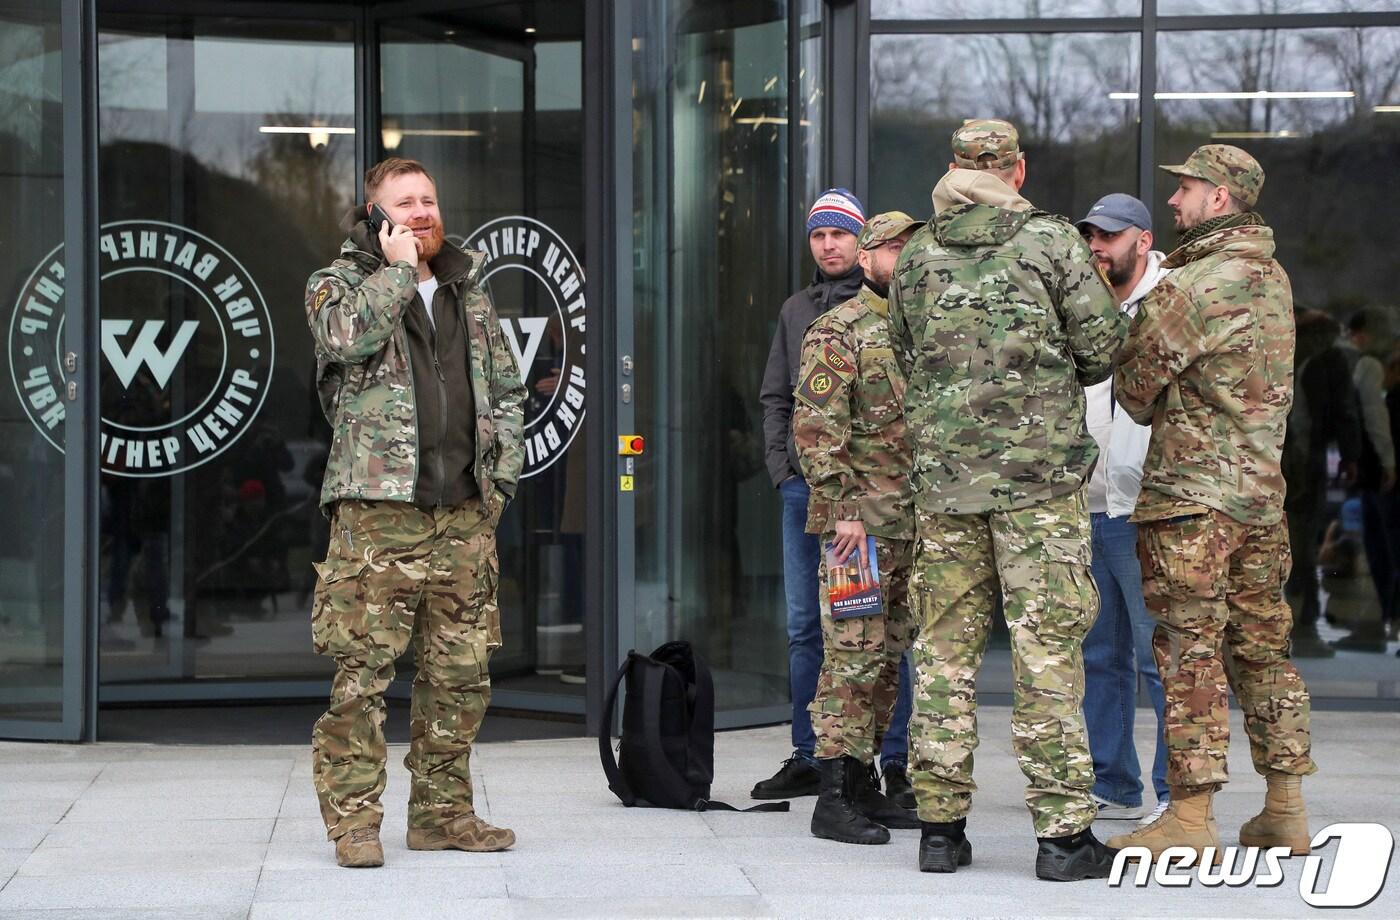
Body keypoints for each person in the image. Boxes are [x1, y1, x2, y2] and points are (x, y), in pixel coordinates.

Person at [889, 119, 1126, 880]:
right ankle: (1062, 840)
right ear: (1016, 171)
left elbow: (904, 354)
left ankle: (939, 831)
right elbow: (1101, 350)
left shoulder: (916, 252)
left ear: (953, 168)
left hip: (945, 488)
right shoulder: (1052, 242)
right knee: (1046, 654)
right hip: (1039, 491)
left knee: (943, 658)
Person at [304, 157, 527, 868]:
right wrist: (398, 272)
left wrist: (499, 483)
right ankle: (354, 825)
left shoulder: (470, 293)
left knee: (460, 677)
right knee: (362, 679)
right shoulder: (337, 285)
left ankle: (442, 815)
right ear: (375, 215)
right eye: (405, 202)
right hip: (378, 519)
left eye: (429, 199)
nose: (423, 212)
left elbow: (507, 391)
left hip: (463, 516)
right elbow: (346, 338)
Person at [1108, 145, 1316, 859]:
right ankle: (1284, 808)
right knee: (1264, 649)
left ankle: (1190, 819)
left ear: (1220, 198)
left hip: (1192, 503)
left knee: (1188, 652)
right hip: (1261, 500)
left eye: (1187, 188)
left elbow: (1134, 390)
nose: (1174, 200)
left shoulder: (1194, 285)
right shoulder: (1272, 276)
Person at [757, 190, 916, 805]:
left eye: (840, 234)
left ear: (862, 245)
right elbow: (782, 401)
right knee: (812, 629)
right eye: (818, 235)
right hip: (818, 497)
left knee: (886, 634)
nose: (829, 245)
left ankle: (888, 762)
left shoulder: (905, 310)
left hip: (884, 507)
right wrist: (786, 474)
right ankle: (815, 758)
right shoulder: (802, 313)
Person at [793, 211, 924, 845]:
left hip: (909, 526)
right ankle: (834, 796)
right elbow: (816, 427)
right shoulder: (838, 330)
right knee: (851, 656)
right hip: (857, 532)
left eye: (910, 247)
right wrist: (843, 507)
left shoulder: (920, 327)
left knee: (889, 658)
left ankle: (864, 780)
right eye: (892, 248)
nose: (903, 257)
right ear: (867, 258)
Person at [1074, 194, 1171, 826]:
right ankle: (1113, 782)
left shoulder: (1172, 303)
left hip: (1146, 510)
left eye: (1108, 236)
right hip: (1089, 506)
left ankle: (1174, 793)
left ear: (1143, 239)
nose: (1097, 246)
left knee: (1158, 658)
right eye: (1091, 236)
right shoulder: (1084, 305)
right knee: (1099, 658)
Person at [1283, 309, 1360, 657]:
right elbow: (1344, 410)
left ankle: (1294, 622)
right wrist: (1350, 454)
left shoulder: (1283, 351)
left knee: (1290, 541)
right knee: (1303, 541)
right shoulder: (1330, 361)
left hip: (1281, 458)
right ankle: (1304, 624)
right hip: (1305, 460)